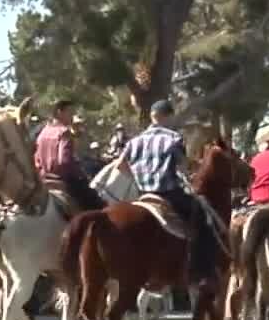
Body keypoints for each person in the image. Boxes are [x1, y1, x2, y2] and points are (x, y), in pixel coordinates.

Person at [120, 99, 219, 285]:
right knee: (204, 219)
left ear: (152, 116)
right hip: (169, 194)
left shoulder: (135, 141)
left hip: (143, 195)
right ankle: (203, 270)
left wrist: (138, 179)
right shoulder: (173, 138)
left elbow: (120, 166)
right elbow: (182, 167)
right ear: (169, 116)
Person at [35, 99, 104, 212]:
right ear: (59, 112)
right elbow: (64, 161)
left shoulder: (42, 134)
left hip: (44, 180)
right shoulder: (64, 132)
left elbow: (36, 161)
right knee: (97, 206)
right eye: (70, 112)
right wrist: (80, 174)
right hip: (63, 180)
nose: (72, 116)